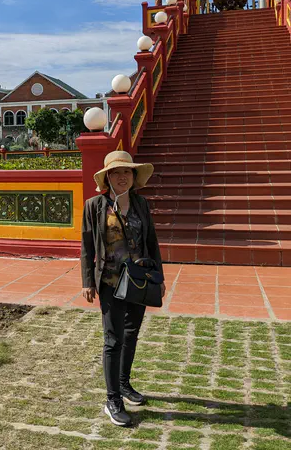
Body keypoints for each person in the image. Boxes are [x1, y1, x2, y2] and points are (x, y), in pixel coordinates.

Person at [81, 150, 165, 427]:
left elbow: (151, 243)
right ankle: (112, 399)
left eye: (126, 172)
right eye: (116, 172)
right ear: (107, 177)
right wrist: (87, 281)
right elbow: (87, 246)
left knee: (131, 334)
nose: (121, 177)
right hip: (109, 282)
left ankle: (124, 384)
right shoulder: (95, 205)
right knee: (113, 339)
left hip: (139, 281)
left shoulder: (141, 204)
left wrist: (159, 277)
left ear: (133, 176)